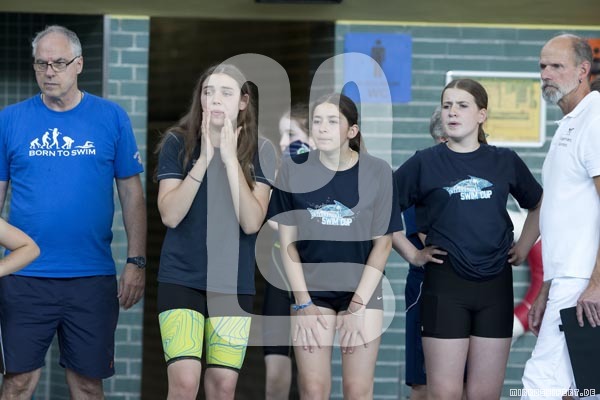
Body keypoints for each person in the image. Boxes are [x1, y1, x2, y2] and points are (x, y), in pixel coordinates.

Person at [0, 25, 147, 399]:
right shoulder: (10, 120)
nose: (49, 72)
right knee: (17, 383)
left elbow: (132, 194)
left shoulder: (111, 117)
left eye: (58, 63)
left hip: (91, 278)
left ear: (79, 64)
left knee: (87, 386)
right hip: (24, 277)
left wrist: (136, 261)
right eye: (41, 64)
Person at [393, 78, 542, 400]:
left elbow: (538, 203)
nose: (452, 112)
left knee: (484, 394)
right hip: (446, 286)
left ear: (481, 115)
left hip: (495, 287)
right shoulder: (424, 162)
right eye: (447, 105)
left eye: (462, 105)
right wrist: (411, 254)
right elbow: (380, 206)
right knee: (444, 393)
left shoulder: (504, 160)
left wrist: (524, 246)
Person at [268, 93, 403, 399]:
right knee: (313, 389)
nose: (323, 128)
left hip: (362, 291)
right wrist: (303, 303)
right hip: (311, 291)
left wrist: (357, 306)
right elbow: (288, 243)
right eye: (317, 121)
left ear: (352, 131)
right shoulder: (293, 170)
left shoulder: (377, 172)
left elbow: (383, 245)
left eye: (332, 121)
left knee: (357, 390)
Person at [155, 63, 276, 400]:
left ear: (243, 101)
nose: (216, 99)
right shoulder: (177, 142)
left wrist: (230, 159)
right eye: (208, 92)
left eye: (226, 92)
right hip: (182, 278)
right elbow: (170, 214)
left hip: (232, 285)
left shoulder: (262, 150)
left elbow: (251, 222)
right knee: (184, 382)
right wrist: (206, 156)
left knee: (223, 386)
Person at [521, 34, 600, 399]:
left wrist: (596, 284)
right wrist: (546, 289)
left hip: (582, 283)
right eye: (542, 66)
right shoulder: (571, 123)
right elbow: (564, 217)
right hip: (567, 280)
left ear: (583, 70)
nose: (546, 74)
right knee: (578, 389)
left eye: (556, 66)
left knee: (539, 387)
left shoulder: (594, 120)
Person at [395, 106, 447, 400]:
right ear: (442, 139)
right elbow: (431, 236)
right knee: (424, 382)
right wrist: (413, 255)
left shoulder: (479, 168)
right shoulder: (422, 169)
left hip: (471, 288)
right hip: (428, 283)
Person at [263, 103, 313, 400]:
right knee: (275, 376)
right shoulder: (277, 173)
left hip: (313, 279)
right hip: (280, 278)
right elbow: (273, 221)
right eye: (281, 134)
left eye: (291, 134)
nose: (283, 142)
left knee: (310, 379)